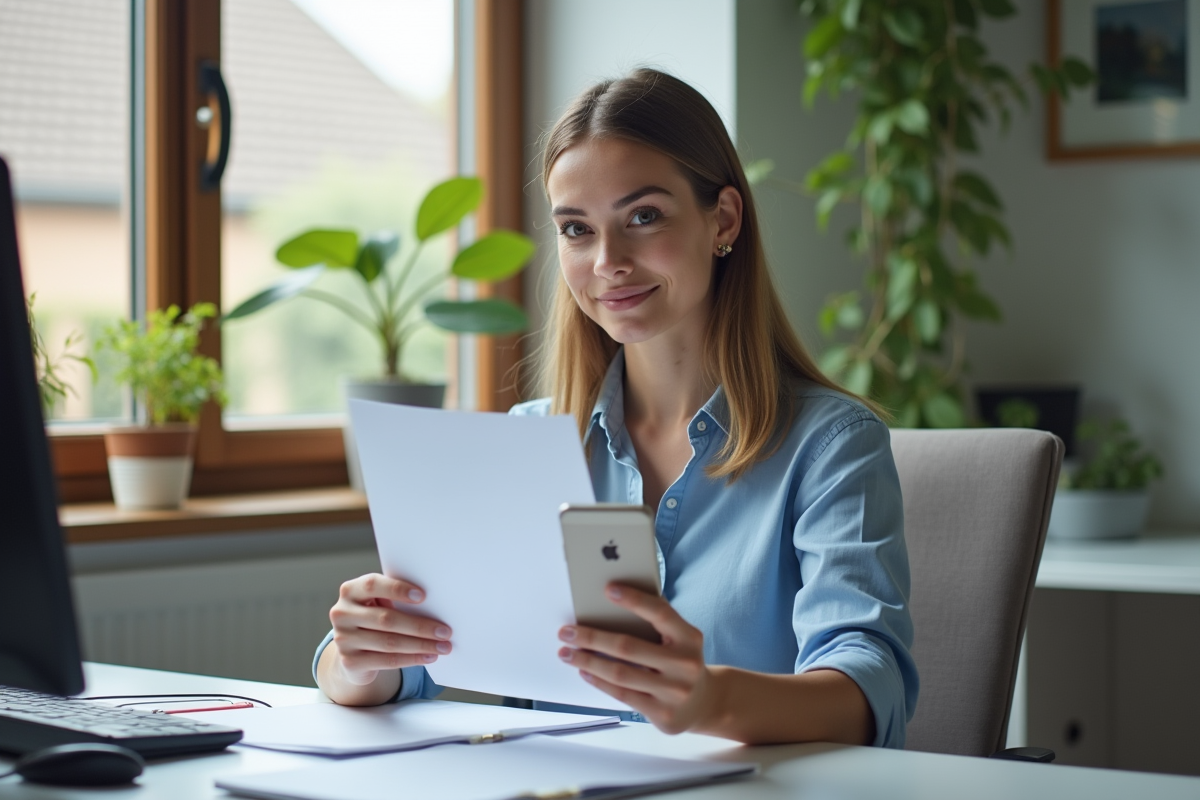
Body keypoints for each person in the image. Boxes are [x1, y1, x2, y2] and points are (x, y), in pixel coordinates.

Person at [314, 68, 918, 748]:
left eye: (643, 217)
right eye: (577, 229)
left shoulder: (830, 445)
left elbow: (871, 690)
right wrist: (359, 656)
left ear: (722, 219)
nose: (608, 261)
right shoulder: (530, 442)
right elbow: (411, 666)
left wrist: (712, 699)